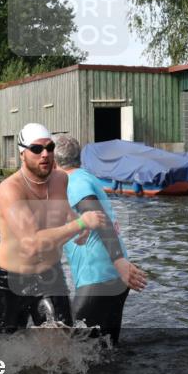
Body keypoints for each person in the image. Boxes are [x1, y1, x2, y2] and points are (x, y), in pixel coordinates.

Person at [0, 123, 109, 331]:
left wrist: (75, 222)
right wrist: (81, 223)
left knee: (64, 338)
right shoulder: (10, 190)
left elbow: (62, 209)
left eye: (49, 147)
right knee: (7, 344)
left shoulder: (60, 179)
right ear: (22, 154)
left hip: (50, 274)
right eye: (37, 149)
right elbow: (32, 242)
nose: (45, 154)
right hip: (12, 278)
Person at [53, 134, 147, 344]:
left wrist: (118, 260)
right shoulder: (86, 177)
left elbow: (97, 215)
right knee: (106, 350)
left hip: (98, 277)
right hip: (112, 275)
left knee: (71, 348)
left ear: (54, 163)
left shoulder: (73, 182)